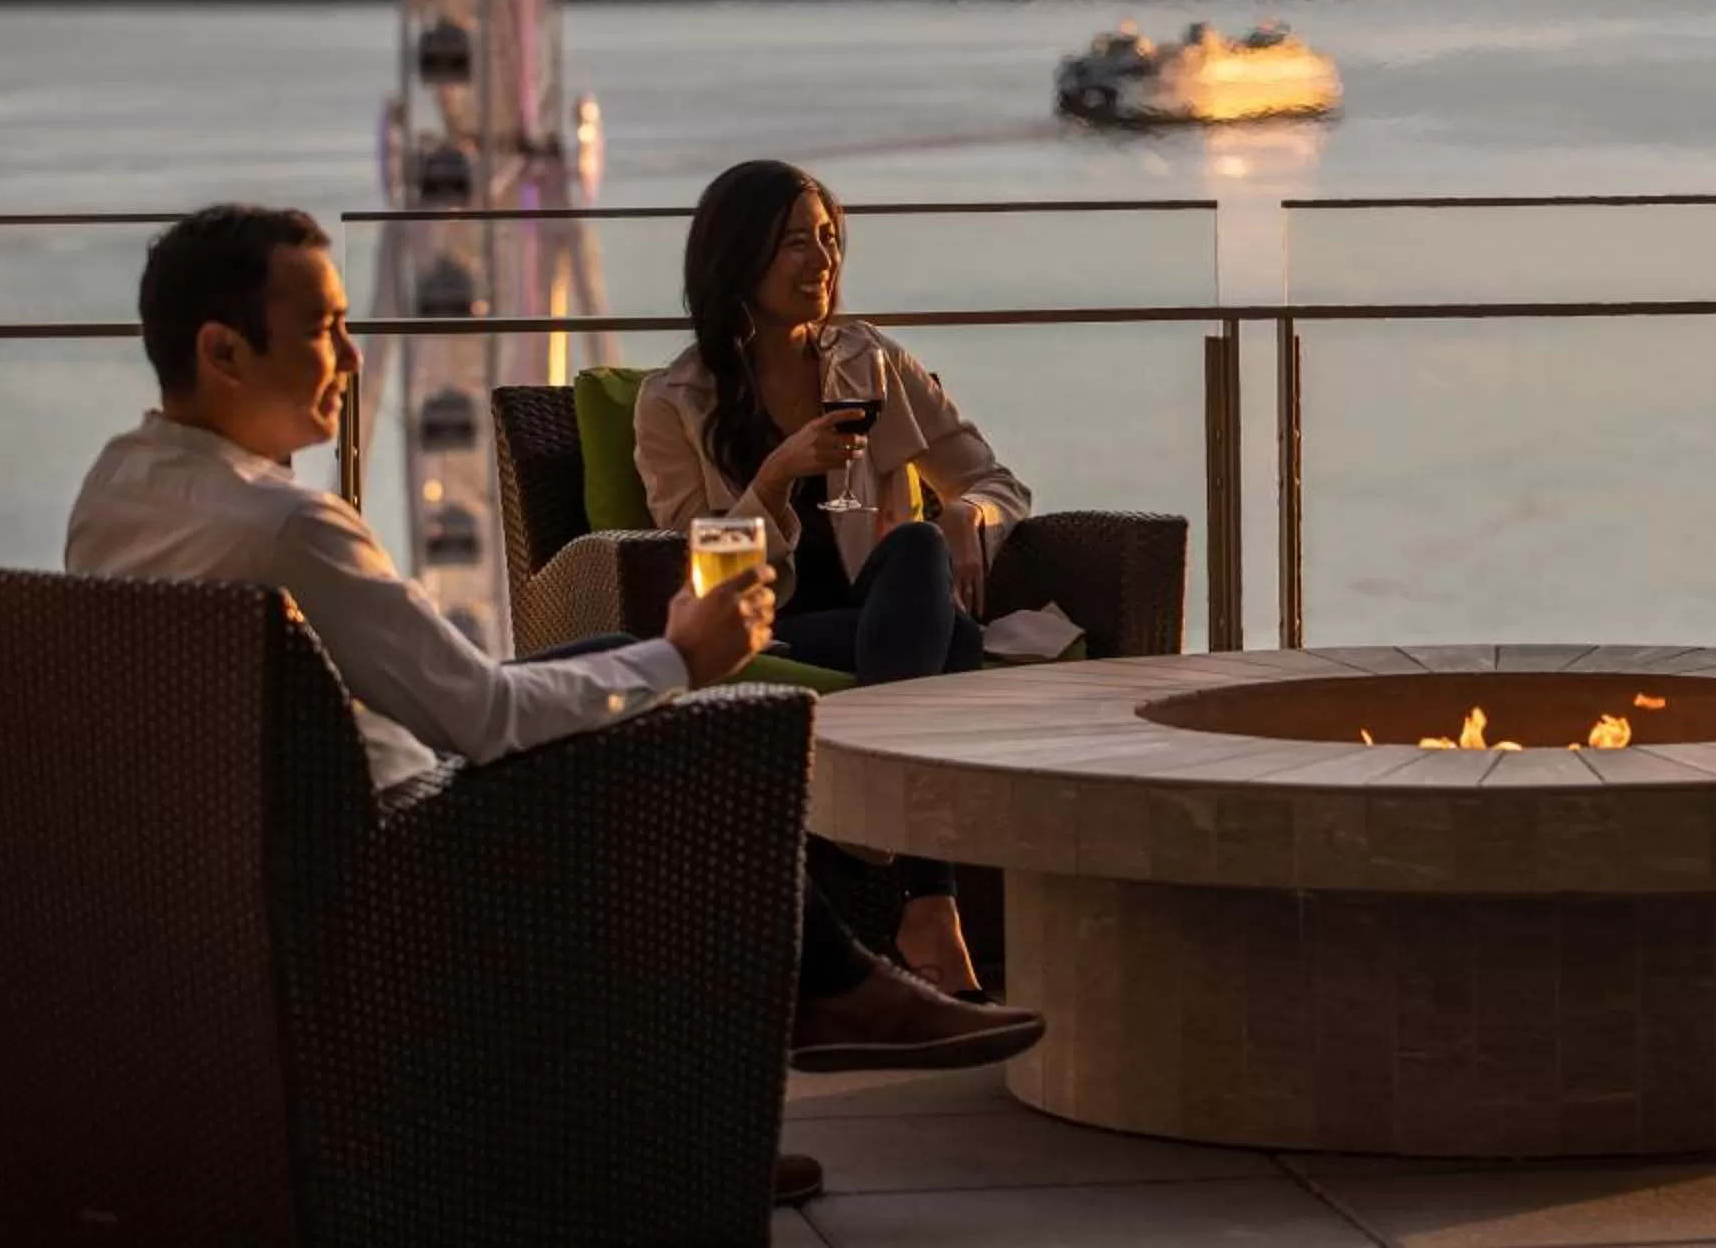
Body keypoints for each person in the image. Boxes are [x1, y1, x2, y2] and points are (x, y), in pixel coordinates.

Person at [66, 208, 1046, 1209]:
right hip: (397, 859)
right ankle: (812, 1026)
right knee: (695, 735)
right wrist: (682, 654)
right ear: (224, 351)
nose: (354, 356)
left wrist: (650, 656)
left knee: (603, 667)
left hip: (267, 848)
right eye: (325, 327)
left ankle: (830, 1000)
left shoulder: (116, 489)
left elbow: (458, 700)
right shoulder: (290, 526)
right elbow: (484, 719)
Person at [635, 160, 1032, 998]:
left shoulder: (872, 363)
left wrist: (969, 518)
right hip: (773, 624)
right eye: (793, 244)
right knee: (951, 640)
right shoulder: (674, 401)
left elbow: (999, 485)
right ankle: (931, 903)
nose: (820, 261)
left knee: (922, 550)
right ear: (738, 258)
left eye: (827, 239)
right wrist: (774, 477)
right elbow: (696, 571)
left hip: (888, 606)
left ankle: (891, 850)